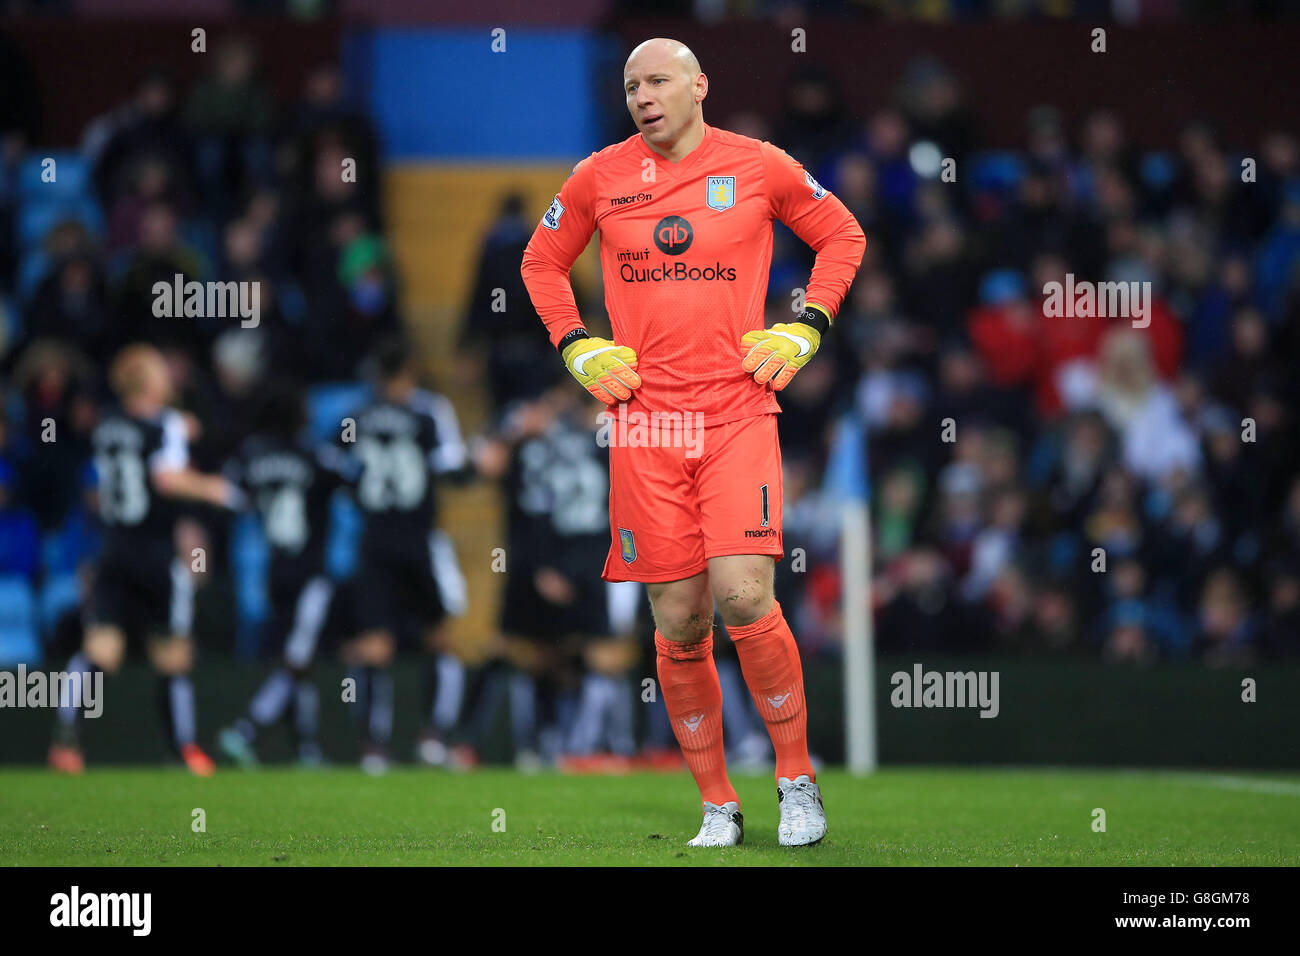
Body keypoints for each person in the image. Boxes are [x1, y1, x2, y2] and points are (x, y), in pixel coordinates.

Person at [521, 38, 865, 846]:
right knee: (678, 621)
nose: (643, 95)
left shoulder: (758, 165)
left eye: (659, 80)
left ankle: (795, 781)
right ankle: (717, 802)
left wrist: (808, 327)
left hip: (737, 410)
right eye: (632, 84)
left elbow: (842, 237)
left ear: (699, 85)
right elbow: (541, 262)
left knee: (745, 596)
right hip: (646, 421)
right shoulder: (598, 176)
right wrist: (576, 345)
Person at [49, 344, 239, 775]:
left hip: (113, 549)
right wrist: (215, 488)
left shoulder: (107, 426)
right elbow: (166, 479)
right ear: (150, 382)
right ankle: (183, 750)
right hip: (154, 551)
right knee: (173, 655)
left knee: (101, 650)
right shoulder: (166, 425)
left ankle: (66, 737)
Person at [340, 337, 472, 773]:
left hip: (374, 541)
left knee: (375, 646)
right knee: (440, 639)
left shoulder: (356, 416)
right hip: (419, 541)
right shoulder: (428, 412)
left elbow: (336, 469)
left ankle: (373, 747)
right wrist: (480, 464)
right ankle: (433, 736)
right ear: (410, 372)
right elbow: (452, 468)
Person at [217, 383, 352, 767]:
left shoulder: (249, 455)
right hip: (312, 573)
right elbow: (353, 480)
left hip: (274, 571)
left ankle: (306, 750)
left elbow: (229, 494)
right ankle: (246, 728)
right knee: (297, 658)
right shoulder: (315, 454)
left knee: (299, 661)